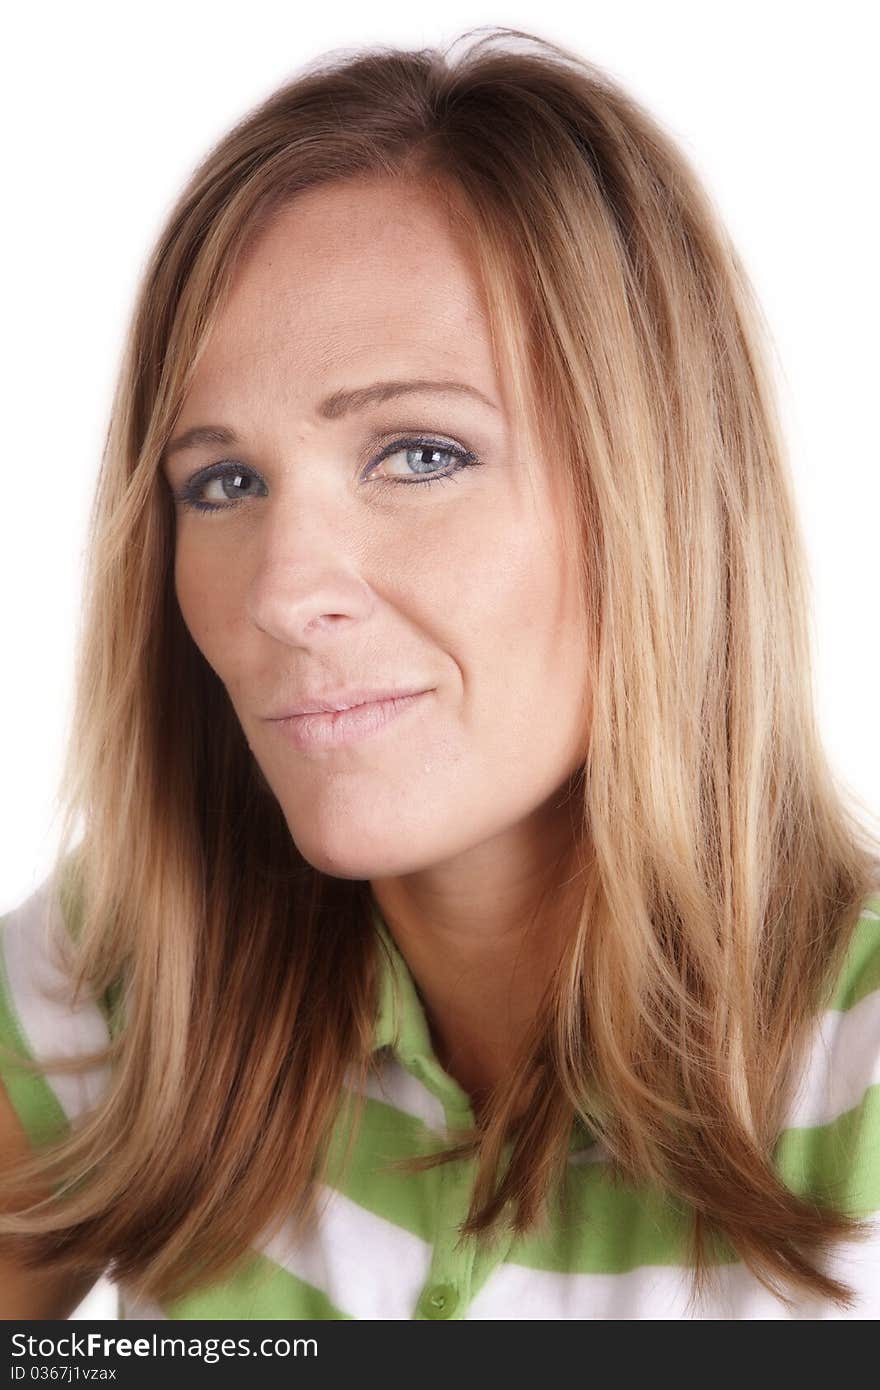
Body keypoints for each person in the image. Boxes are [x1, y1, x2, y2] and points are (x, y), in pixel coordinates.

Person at [2, 25, 879, 1322]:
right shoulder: (128, 973)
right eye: (224, 481)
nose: (283, 591)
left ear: (660, 496)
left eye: (420, 454)